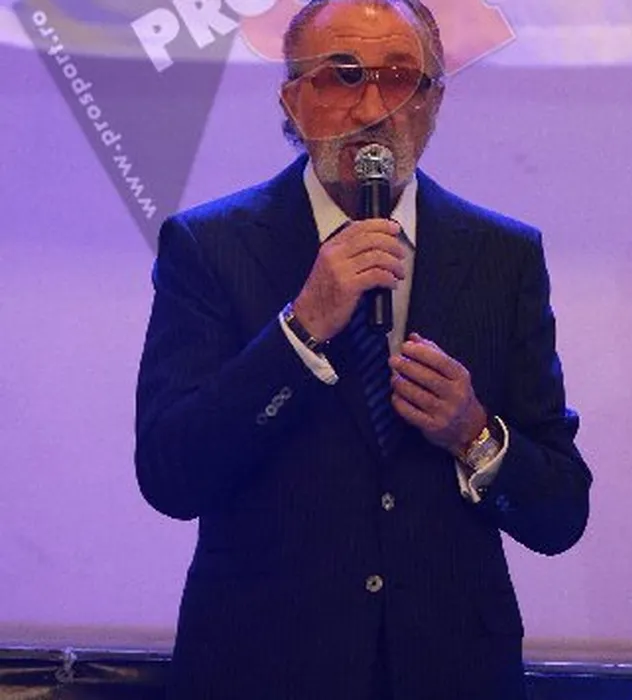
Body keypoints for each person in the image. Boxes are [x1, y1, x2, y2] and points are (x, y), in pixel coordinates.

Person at [133, 0, 592, 698]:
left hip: (451, 672)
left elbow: (560, 514)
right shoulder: (210, 246)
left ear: (434, 104)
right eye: (343, 76)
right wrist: (299, 332)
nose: (374, 109)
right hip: (264, 670)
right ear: (293, 102)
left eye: (401, 78)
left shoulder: (503, 256)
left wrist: (473, 434)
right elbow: (172, 477)